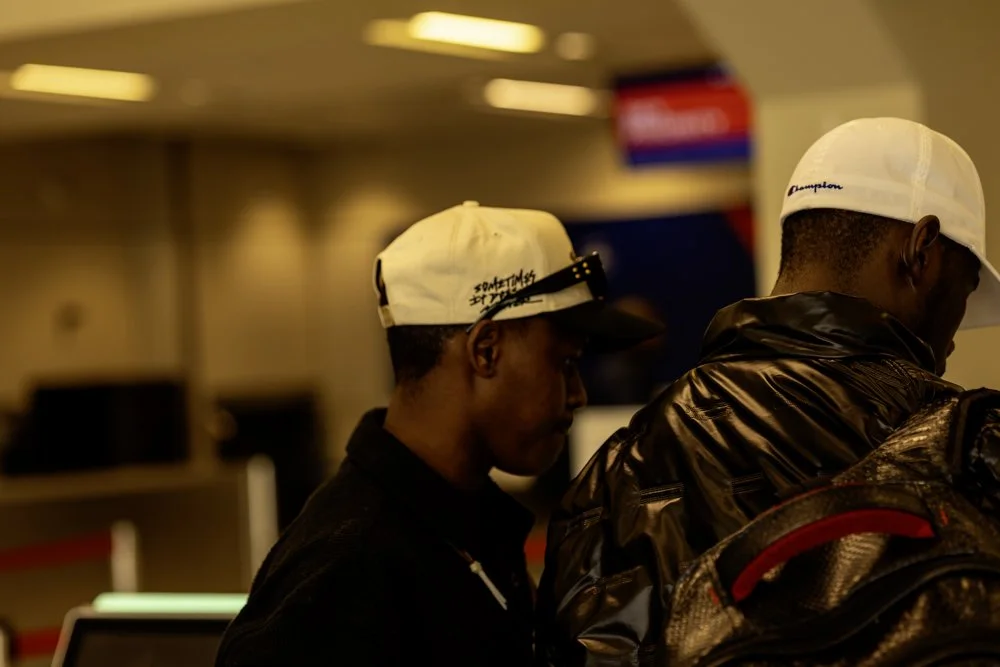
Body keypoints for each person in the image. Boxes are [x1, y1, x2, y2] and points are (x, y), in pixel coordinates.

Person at [534, 117, 1000, 666]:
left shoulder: (616, 472)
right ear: (921, 249)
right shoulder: (968, 445)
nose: (952, 336)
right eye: (966, 289)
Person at [215, 201, 662, 667]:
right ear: (486, 351)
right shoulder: (346, 572)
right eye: (564, 363)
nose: (579, 394)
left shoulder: (465, 525)